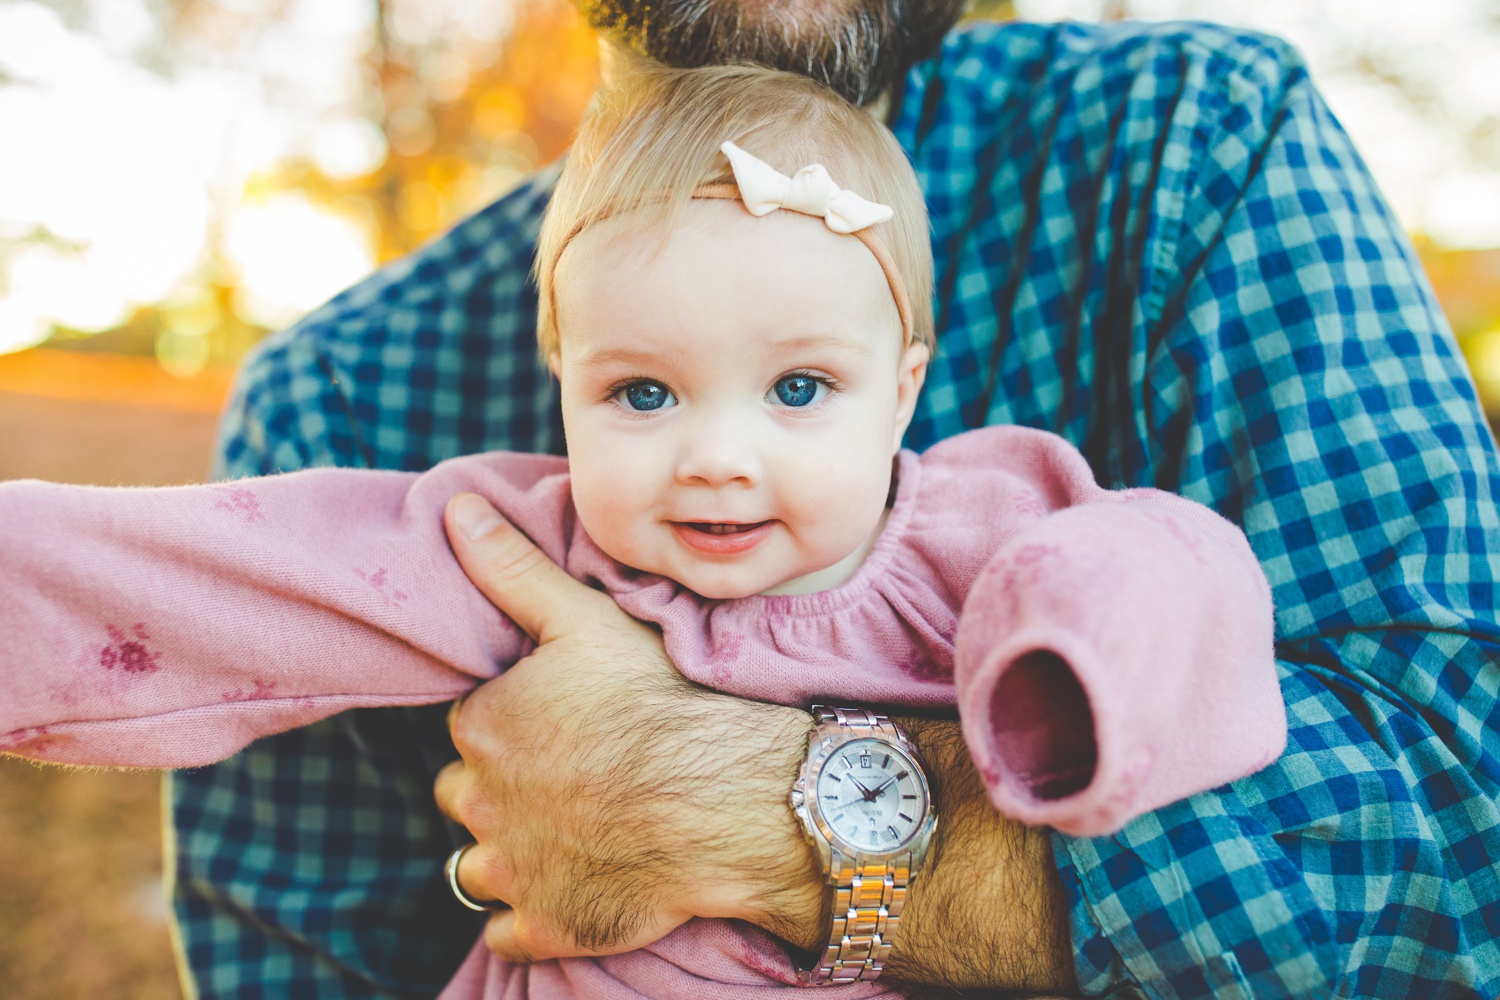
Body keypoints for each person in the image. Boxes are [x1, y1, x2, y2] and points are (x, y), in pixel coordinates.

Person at [172, 8, 1500, 1000]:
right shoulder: (347, 400)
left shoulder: (1191, 144)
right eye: (638, 393)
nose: (719, 461)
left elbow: (1468, 833)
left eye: (805, 386)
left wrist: (764, 816)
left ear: (906, 369)